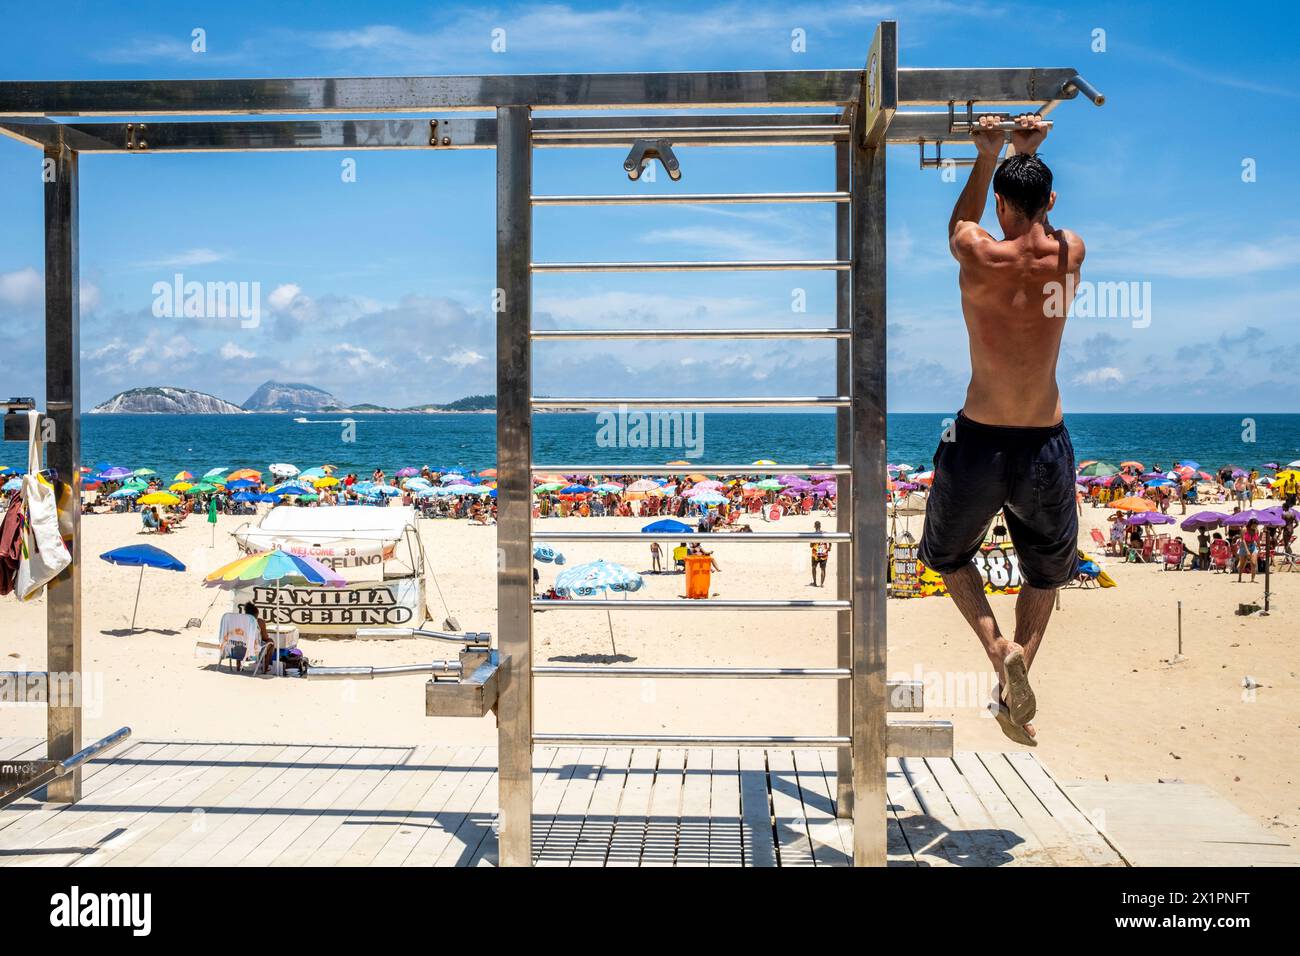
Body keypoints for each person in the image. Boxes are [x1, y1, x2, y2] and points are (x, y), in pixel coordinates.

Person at [917, 114, 1083, 749]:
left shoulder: (980, 255)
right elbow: (1048, 213)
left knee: (947, 555)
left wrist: (987, 154)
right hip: (1043, 436)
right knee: (1045, 572)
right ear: (1050, 202)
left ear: (1001, 204)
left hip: (979, 436)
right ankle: (1015, 685)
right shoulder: (1072, 252)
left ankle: (997, 651)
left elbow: (959, 226)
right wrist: (1023, 153)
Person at [1238, 518, 1260, 583]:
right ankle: (1240, 577)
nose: (1255, 527)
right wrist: (1247, 550)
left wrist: (1259, 547)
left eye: (1256, 525)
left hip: (1252, 546)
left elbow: (1257, 539)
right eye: (1254, 525)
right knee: (1242, 564)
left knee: (1253, 563)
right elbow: (1243, 540)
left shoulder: (1256, 530)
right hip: (1244, 546)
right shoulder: (1244, 529)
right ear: (1250, 524)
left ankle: (1252, 579)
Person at [810, 520, 830, 587]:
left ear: (814, 526)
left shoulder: (813, 534)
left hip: (815, 553)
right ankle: (821, 584)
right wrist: (829, 547)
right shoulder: (825, 533)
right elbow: (830, 541)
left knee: (814, 567)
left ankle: (815, 583)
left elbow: (811, 545)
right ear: (820, 526)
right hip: (823, 552)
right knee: (823, 569)